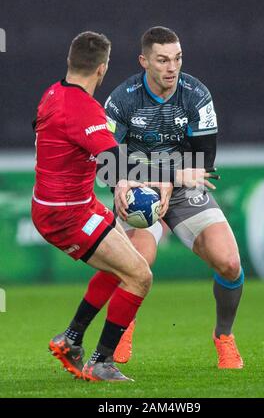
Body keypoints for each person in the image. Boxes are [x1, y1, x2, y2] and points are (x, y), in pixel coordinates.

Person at [57, 26, 244, 373]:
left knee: (230, 263)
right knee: (137, 263)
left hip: (186, 189)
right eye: (162, 59)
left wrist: (173, 181)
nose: (171, 67)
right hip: (139, 190)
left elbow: (204, 160)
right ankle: (124, 324)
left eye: (177, 58)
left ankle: (224, 337)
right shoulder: (122, 100)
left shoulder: (196, 95)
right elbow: (105, 162)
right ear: (144, 61)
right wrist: (129, 184)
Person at [31, 31, 155, 382]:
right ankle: (102, 363)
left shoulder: (53, 92)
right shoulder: (83, 108)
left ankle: (70, 339)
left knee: (127, 266)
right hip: (66, 214)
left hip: (72, 203)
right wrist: (124, 185)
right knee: (140, 276)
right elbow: (113, 157)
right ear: (103, 68)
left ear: (70, 62)